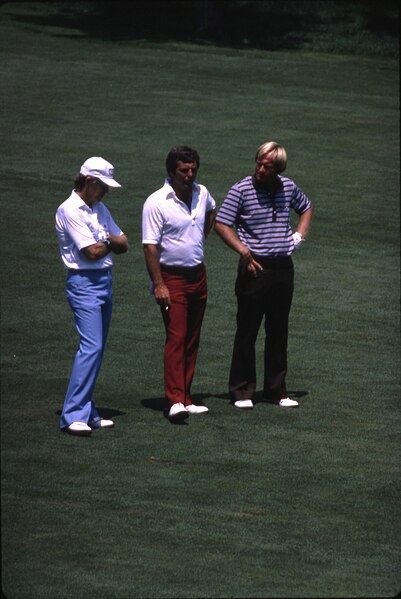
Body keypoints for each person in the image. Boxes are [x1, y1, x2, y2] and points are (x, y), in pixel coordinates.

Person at [214, 141, 313, 409]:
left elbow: (306, 207)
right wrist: (243, 251)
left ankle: (276, 390)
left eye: (267, 166)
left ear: (278, 168)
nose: (260, 169)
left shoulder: (288, 187)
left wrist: (298, 237)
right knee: (247, 329)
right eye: (258, 162)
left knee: (279, 330)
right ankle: (242, 391)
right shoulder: (241, 189)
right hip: (254, 268)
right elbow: (222, 223)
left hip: (282, 268)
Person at [142, 146, 216, 422]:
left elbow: (212, 212)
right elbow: (149, 247)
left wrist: (196, 240)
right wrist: (158, 284)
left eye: (194, 169)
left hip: (198, 275)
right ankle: (174, 400)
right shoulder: (156, 202)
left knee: (192, 336)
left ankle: (186, 396)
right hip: (171, 278)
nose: (190, 174)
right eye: (184, 170)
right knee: (176, 336)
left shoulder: (202, 193)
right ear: (172, 171)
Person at [55, 156, 128, 436]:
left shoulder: (99, 207)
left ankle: (87, 410)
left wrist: (108, 241)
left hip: (104, 281)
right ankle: (72, 414)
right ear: (89, 181)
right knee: (91, 347)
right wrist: (109, 241)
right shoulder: (69, 209)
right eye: (102, 186)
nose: (106, 191)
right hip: (83, 283)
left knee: (97, 351)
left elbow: (124, 242)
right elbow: (92, 252)